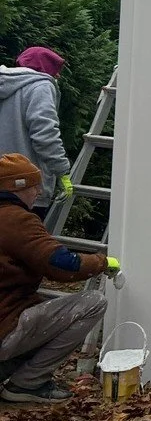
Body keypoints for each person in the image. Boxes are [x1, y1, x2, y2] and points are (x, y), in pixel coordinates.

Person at [0, 153, 116, 403]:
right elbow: (62, 264)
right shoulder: (15, 220)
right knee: (92, 302)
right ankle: (27, 384)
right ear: (18, 188)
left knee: (40, 309)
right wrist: (102, 262)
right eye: (34, 186)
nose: (39, 192)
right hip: (4, 327)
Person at [0, 47, 73, 222]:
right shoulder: (41, 86)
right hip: (26, 186)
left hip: (3, 179)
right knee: (28, 244)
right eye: (56, 70)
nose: (58, 76)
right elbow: (45, 134)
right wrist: (62, 171)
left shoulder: (5, 84)